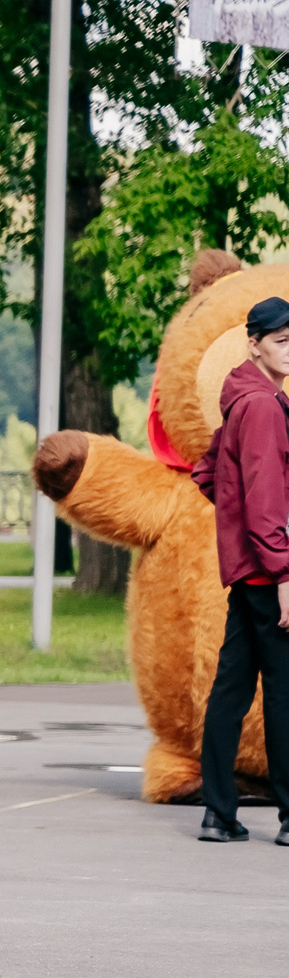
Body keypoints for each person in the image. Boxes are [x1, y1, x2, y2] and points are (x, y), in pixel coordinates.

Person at [192, 294, 289, 843]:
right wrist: (282, 572)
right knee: (283, 694)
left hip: (249, 572)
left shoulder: (242, 400)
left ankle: (218, 814)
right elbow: (267, 499)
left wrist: (240, 528)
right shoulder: (263, 407)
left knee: (231, 690)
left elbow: (209, 474)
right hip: (272, 576)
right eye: (281, 341)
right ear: (254, 345)